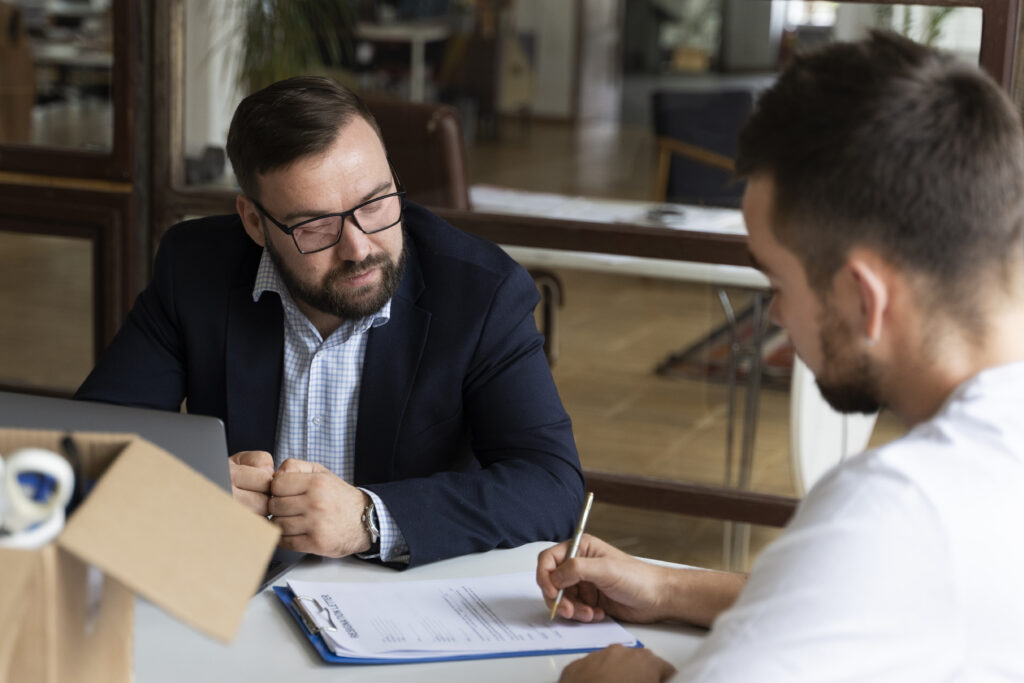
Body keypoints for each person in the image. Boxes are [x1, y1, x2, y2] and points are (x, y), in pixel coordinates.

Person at [537, 31, 1024, 681]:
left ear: (861, 297)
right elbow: (874, 597)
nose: (774, 316)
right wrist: (667, 586)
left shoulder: (902, 506)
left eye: (777, 283)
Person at [76, 76, 584, 567]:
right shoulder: (193, 268)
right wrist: (186, 491)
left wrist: (370, 520)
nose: (360, 247)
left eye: (376, 202)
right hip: (238, 588)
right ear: (255, 222)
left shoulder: (480, 290)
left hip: (403, 601)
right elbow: (84, 446)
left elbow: (552, 487)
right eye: (316, 226)